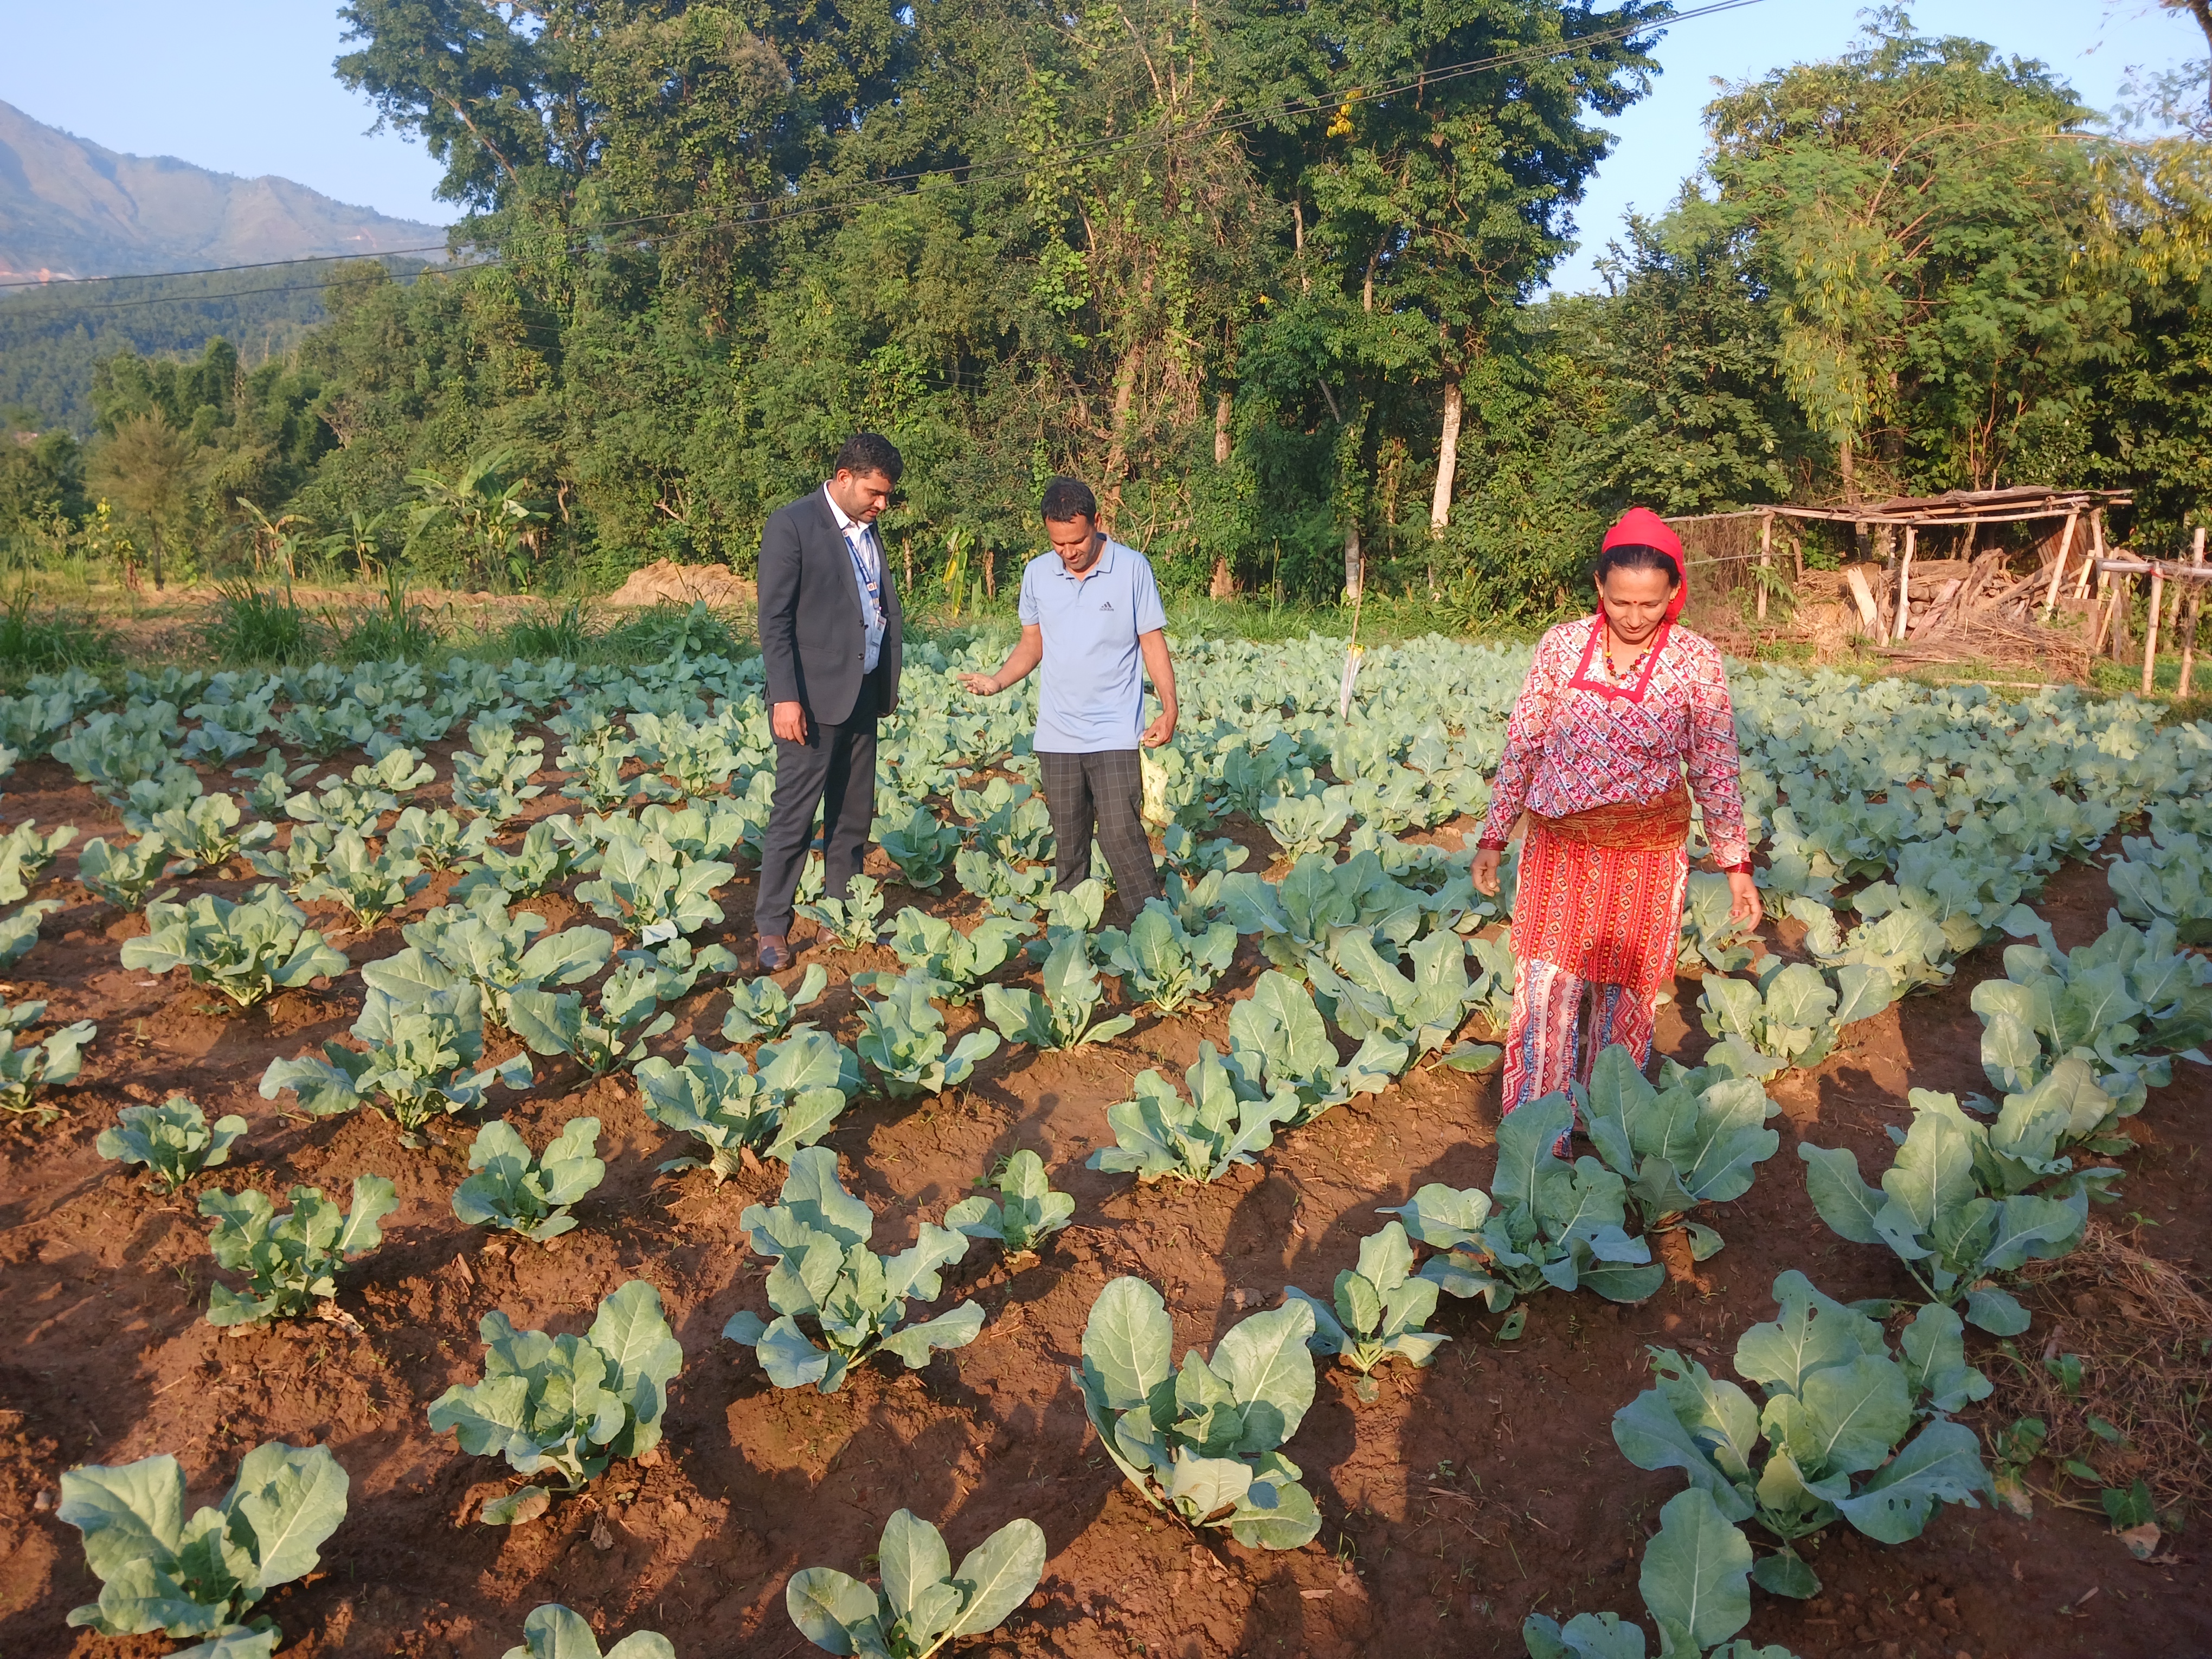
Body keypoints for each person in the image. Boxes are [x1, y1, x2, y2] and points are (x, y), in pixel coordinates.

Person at [1470, 506, 1757, 1121]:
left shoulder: (1696, 662)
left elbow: (1715, 767)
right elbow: (1525, 740)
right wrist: (1494, 835)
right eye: (1620, 601)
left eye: (1649, 604)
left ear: (1674, 592)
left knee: (1625, 999)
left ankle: (1608, 1126)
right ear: (1600, 587)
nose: (1633, 617)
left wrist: (1736, 864)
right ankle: (1537, 1132)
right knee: (1546, 989)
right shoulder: (1561, 646)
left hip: (1645, 860)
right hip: (1560, 853)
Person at [957, 477, 1178, 918]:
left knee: (1120, 832)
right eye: (1058, 543)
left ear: (1097, 523)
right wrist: (998, 681)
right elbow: (1032, 644)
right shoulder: (1038, 573)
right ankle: (1071, 933)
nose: (1068, 552)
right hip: (1057, 735)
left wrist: (1169, 708)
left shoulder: (1133, 568)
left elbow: (1152, 643)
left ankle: (1152, 925)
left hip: (1115, 729)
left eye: (1077, 540)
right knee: (1069, 840)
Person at [753, 433, 906, 970]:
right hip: (811, 702)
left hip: (862, 692)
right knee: (794, 817)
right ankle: (773, 927)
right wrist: (786, 697)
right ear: (844, 478)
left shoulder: (866, 531)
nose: (881, 504)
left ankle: (839, 915)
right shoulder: (793, 525)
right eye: (874, 492)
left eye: (887, 495)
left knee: (851, 816)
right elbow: (773, 621)